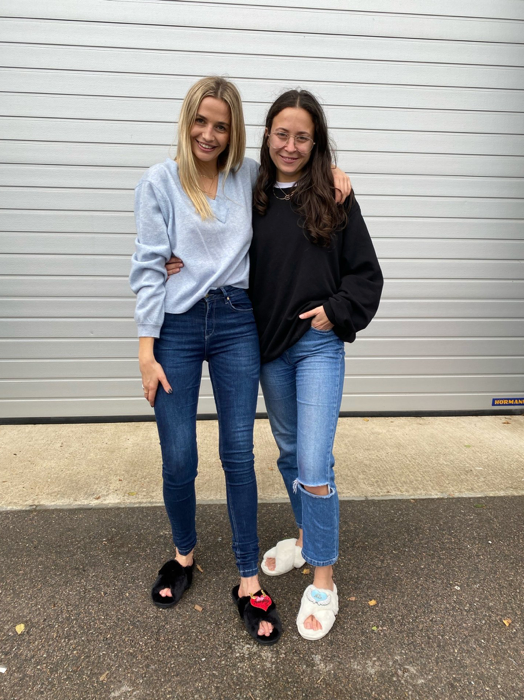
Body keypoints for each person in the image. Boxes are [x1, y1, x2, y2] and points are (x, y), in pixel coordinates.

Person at [130, 76, 351, 645]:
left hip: (235, 322)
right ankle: (184, 555)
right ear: (187, 121)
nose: (209, 134)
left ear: (235, 133)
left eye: (221, 126)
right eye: (201, 121)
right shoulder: (159, 182)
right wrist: (146, 350)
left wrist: (333, 171)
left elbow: (297, 175)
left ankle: (248, 578)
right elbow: (148, 268)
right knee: (179, 456)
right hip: (177, 326)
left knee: (237, 454)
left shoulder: (249, 178)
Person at [249, 90, 383, 640]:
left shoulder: (333, 195)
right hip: (269, 349)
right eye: (282, 134)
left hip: (316, 347)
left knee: (313, 463)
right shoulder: (252, 195)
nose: (290, 145)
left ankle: (323, 579)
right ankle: (306, 540)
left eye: (303, 137)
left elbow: (366, 274)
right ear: (267, 135)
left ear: (316, 141)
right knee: (289, 452)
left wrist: (336, 310)